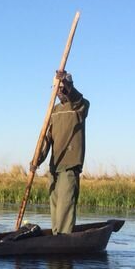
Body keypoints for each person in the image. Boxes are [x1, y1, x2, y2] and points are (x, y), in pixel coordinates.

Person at [32, 71, 90, 235]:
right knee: (56, 206)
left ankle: (63, 239)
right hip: (54, 166)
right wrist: (36, 161)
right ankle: (56, 238)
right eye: (57, 88)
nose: (60, 92)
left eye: (62, 88)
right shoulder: (54, 110)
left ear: (69, 87)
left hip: (70, 165)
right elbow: (46, 139)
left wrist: (66, 84)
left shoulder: (80, 106)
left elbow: (77, 99)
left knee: (65, 205)